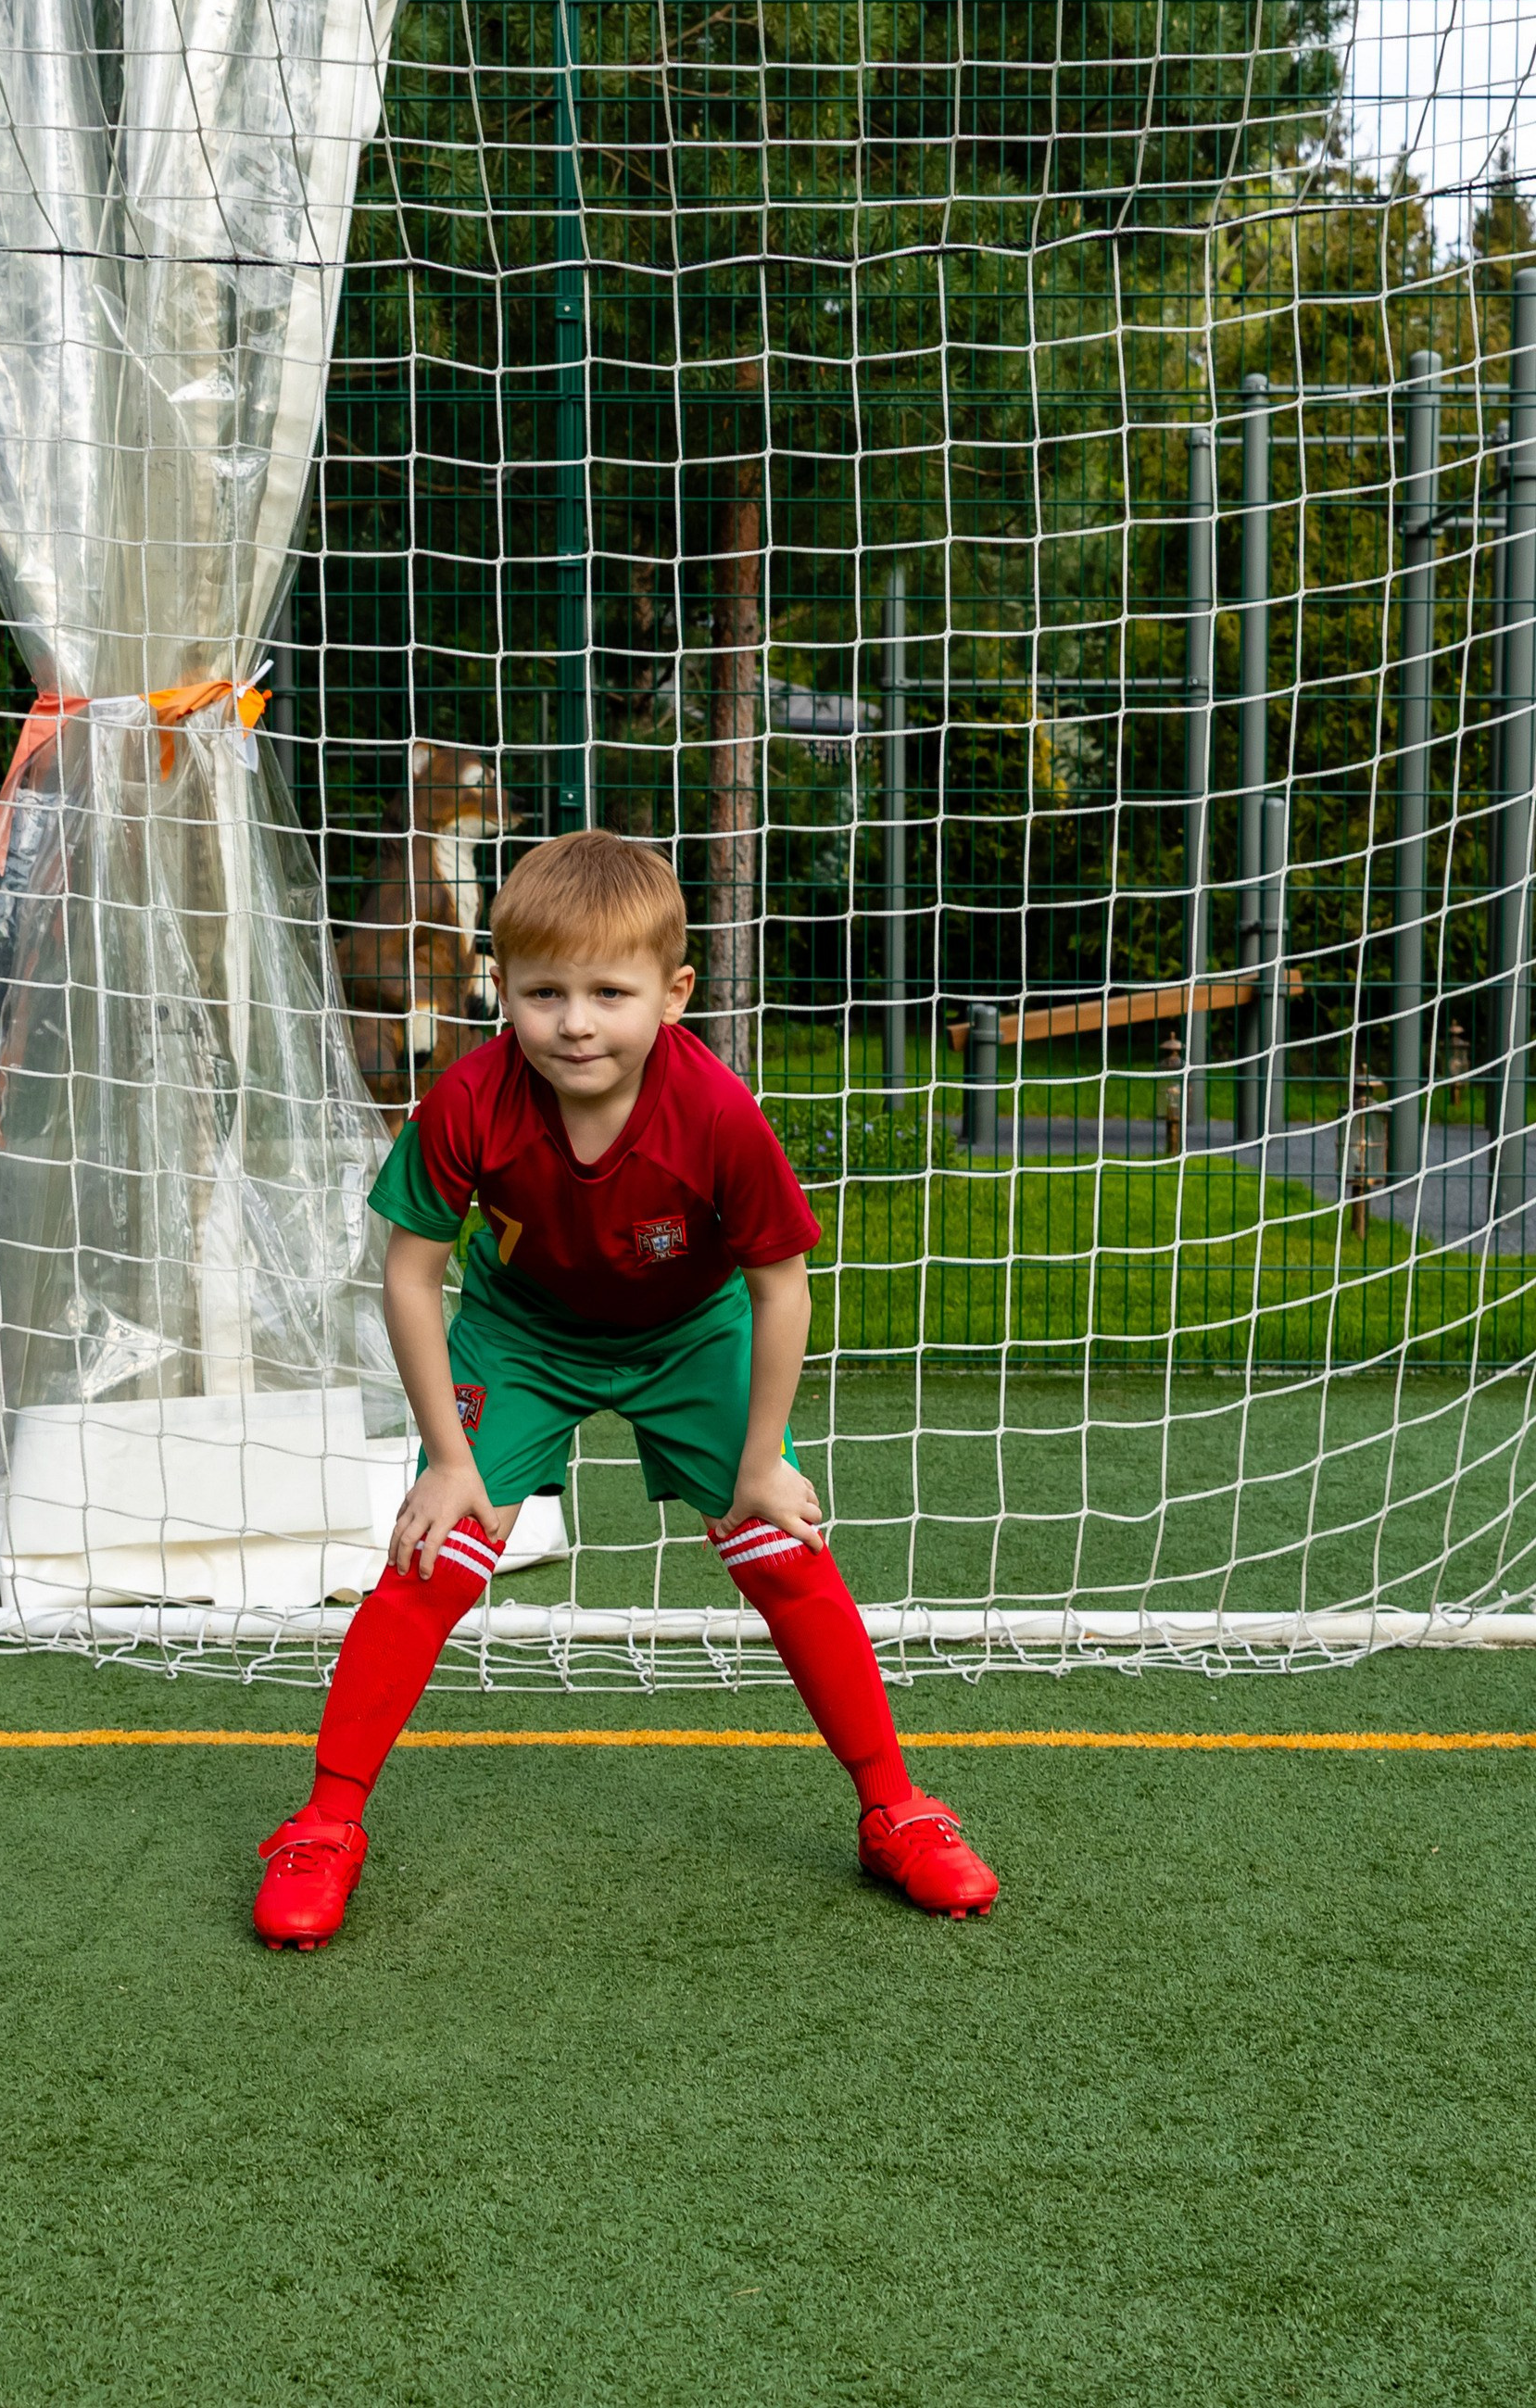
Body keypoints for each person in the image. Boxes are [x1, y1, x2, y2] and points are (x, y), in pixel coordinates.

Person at [252, 829, 999, 1947]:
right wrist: (449, 1462)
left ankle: (895, 1806)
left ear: (672, 992)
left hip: (686, 1335)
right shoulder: (465, 1100)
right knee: (428, 1559)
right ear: (498, 987)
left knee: (783, 1552)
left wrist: (760, 1462)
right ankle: (323, 1823)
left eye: (609, 990)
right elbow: (407, 1277)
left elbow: (778, 1289)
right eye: (543, 991)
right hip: (520, 1334)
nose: (574, 1021)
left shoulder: (716, 1115)